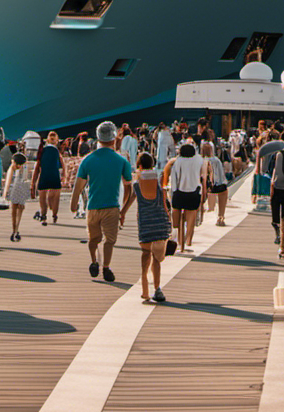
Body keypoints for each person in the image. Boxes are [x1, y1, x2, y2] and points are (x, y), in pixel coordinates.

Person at [71, 120, 133, 281]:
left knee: (93, 239)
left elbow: (78, 185)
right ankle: (106, 267)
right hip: (112, 207)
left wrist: (73, 204)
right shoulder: (121, 161)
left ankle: (93, 261)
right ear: (114, 139)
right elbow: (129, 188)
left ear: (98, 138)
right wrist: (124, 209)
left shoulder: (88, 160)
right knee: (109, 240)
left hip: (92, 207)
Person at [119, 152, 172, 301]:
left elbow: (129, 200)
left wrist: (122, 214)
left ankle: (145, 292)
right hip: (159, 223)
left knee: (145, 256)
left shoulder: (137, 184)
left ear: (140, 166)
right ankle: (157, 289)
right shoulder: (158, 182)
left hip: (145, 223)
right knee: (156, 259)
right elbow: (165, 203)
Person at [170, 141, 206, 253]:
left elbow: (174, 179)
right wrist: (203, 195)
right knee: (191, 217)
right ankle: (188, 240)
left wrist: (173, 193)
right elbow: (203, 177)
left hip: (179, 192)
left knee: (177, 218)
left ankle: (179, 239)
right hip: (194, 192)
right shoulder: (199, 160)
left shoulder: (178, 161)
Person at [32, 131, 64, 225]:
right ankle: (54, 215)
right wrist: (64, 176)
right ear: (57, 141)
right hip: (55, 176)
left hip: (44, 176)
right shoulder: (56, 151)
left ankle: (43, 216)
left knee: (42, 198)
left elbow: (37, 166)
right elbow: (63, 164)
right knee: (55, 198)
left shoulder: (42, 150)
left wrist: (33, 182)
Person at [5, 151, 30, 241]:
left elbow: (8, 182)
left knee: (14, 211)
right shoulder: (25, 168)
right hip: (22, 190)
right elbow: (27, 180)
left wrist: (5, 194)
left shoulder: (12, 168)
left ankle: (14, 229)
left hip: (14, 190)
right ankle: (17, 228)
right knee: (20, 211)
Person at [204, 141, 229, 226]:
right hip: (220, 185)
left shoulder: (202, 160)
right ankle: (221, 216)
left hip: (208, 186)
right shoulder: (217, 160)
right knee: (223, 195)